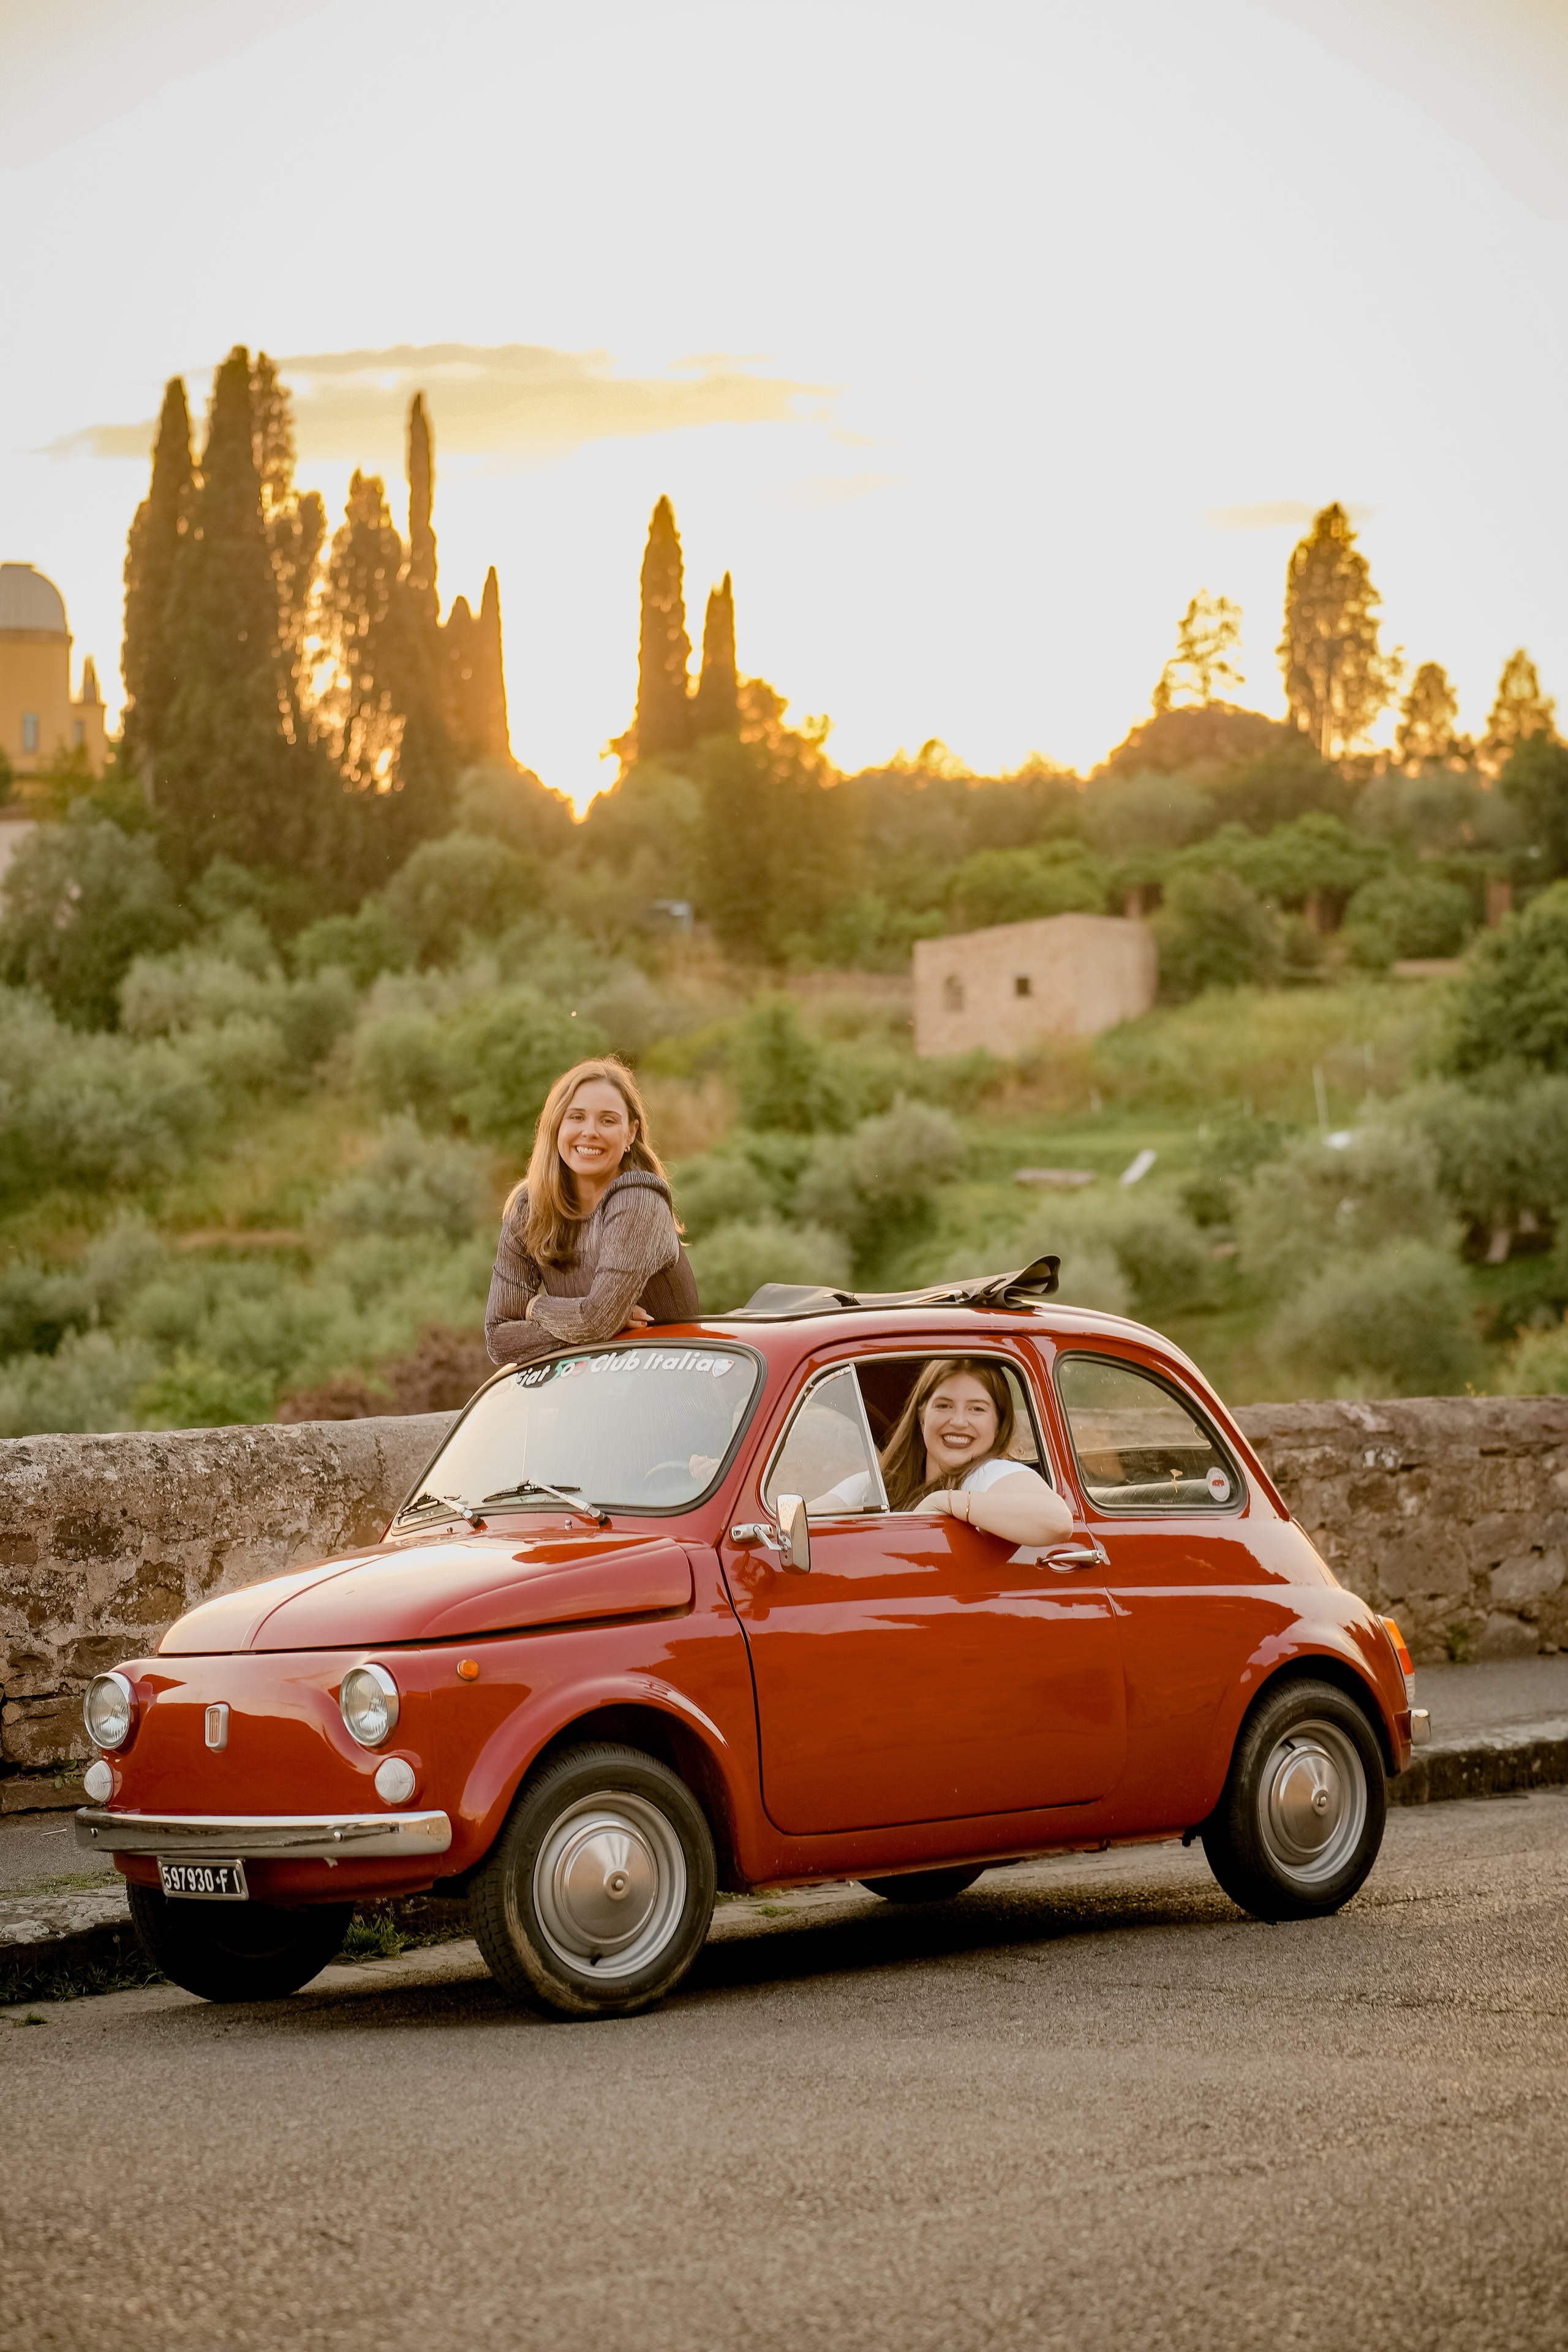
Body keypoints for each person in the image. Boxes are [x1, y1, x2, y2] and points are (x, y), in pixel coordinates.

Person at [485, 1057, 698, 1367]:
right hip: (592, 1399)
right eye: (577, 1117)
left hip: (668, 1399)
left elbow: (597, 1322)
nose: (590, 1132)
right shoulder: (529, 1209)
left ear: (631, 1134)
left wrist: (535, 1308)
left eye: (608, 1120)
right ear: (556, 1125)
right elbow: (499, 1339)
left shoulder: (639, 1201)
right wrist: (600, 1322)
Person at [812, 1357, 1072, 1547]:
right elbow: (806, 1522)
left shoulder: (988, 1474)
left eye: (977, 1409)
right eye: (944, 1406)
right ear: (922, 1415)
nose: (959, 1421)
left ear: (998, 1423)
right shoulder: (880, 1483)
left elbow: (1057, 1521)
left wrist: (943, 1501)